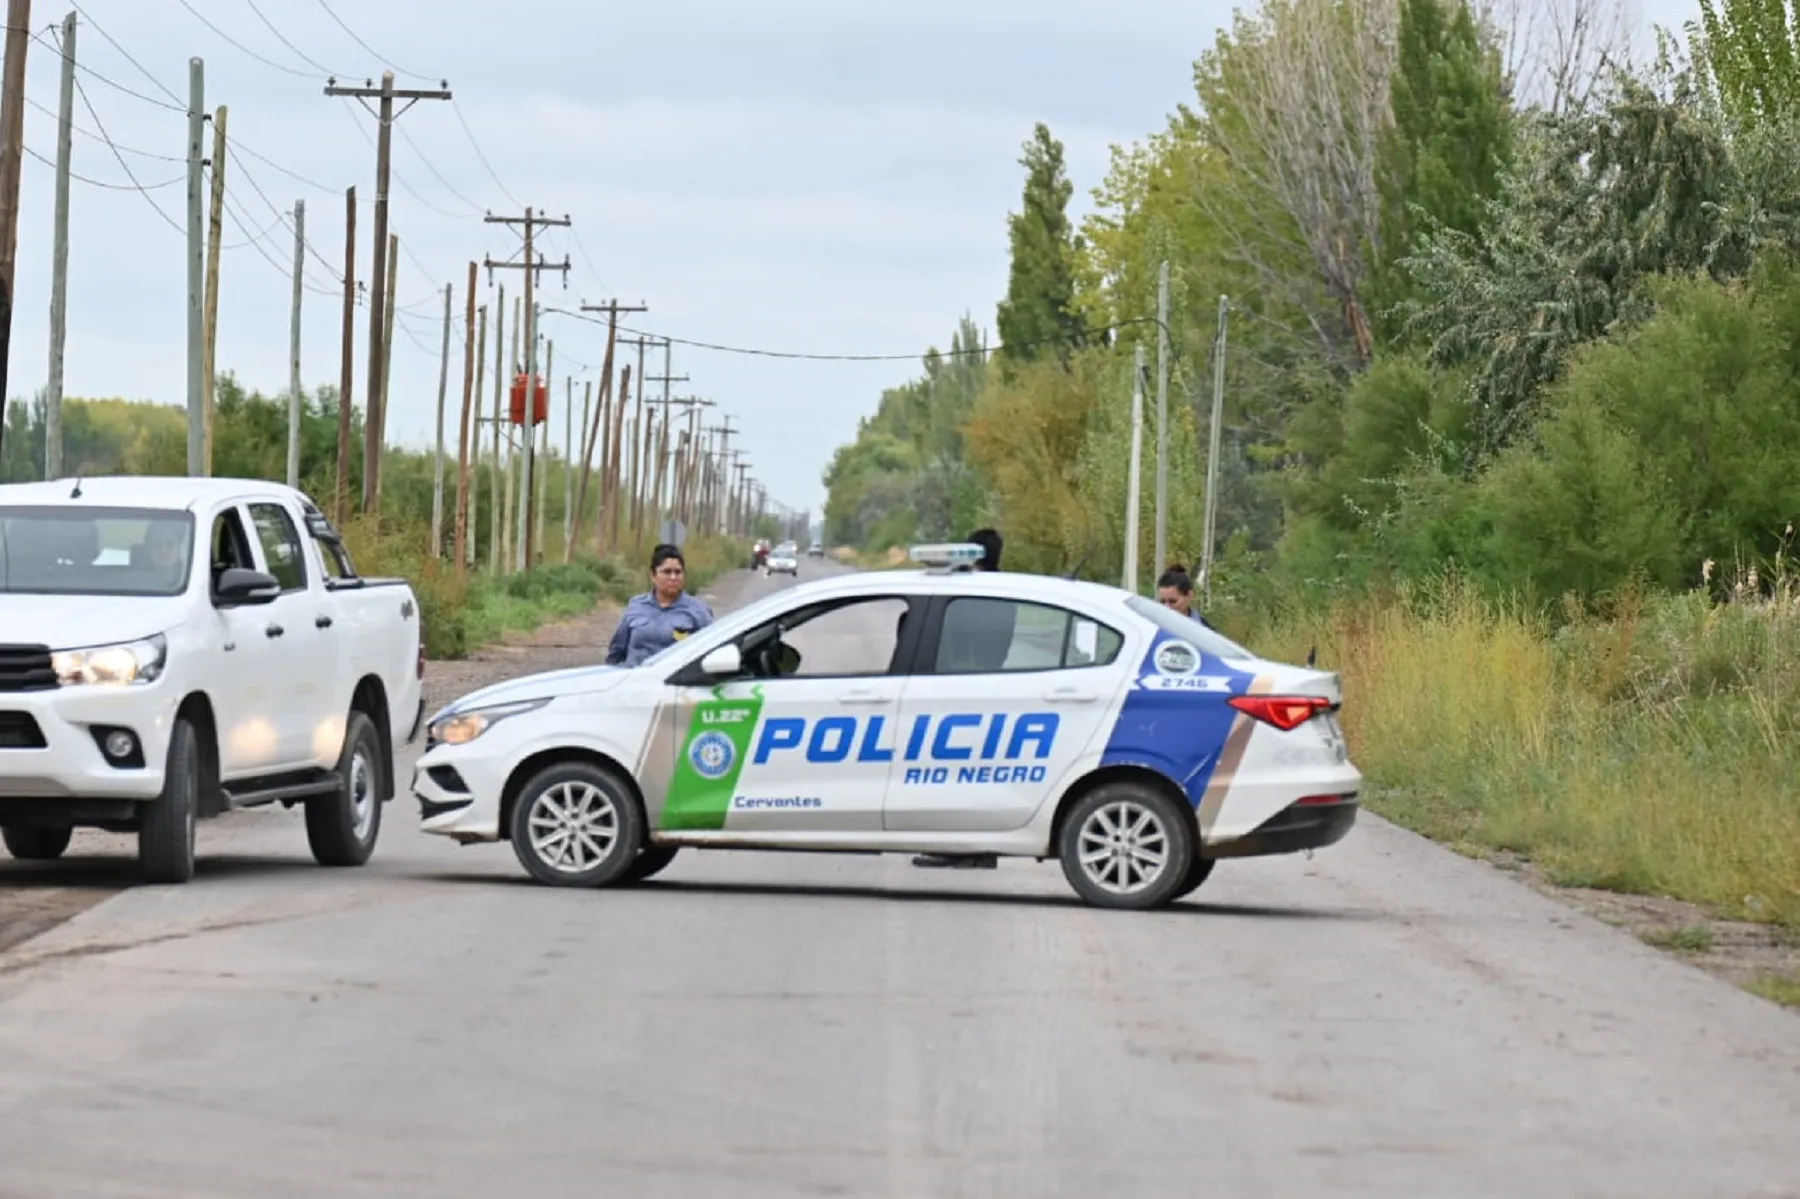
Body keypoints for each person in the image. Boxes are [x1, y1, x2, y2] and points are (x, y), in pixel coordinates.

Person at [914, 527, 1006, 872]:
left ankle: (963, 848)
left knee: (955, 776)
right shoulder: (1002, 588)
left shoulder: (975, 592)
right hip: (989, 690)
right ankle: (974, 848)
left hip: (966, 692)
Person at [605, 544, 716, 667]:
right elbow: (617, 650)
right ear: (653, 576)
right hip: (634, 679)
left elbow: (710, 652)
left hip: (673, 681)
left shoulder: (697, 611)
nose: (673, 577)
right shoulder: (637, 606)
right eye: (667, 572)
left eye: (678, 572)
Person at [1156, 563, 1217, 629]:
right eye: (1162, 602)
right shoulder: (1152, 627)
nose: (1167, 607)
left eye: (1173, 601)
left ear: (1189, 595)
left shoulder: (1206, 630)